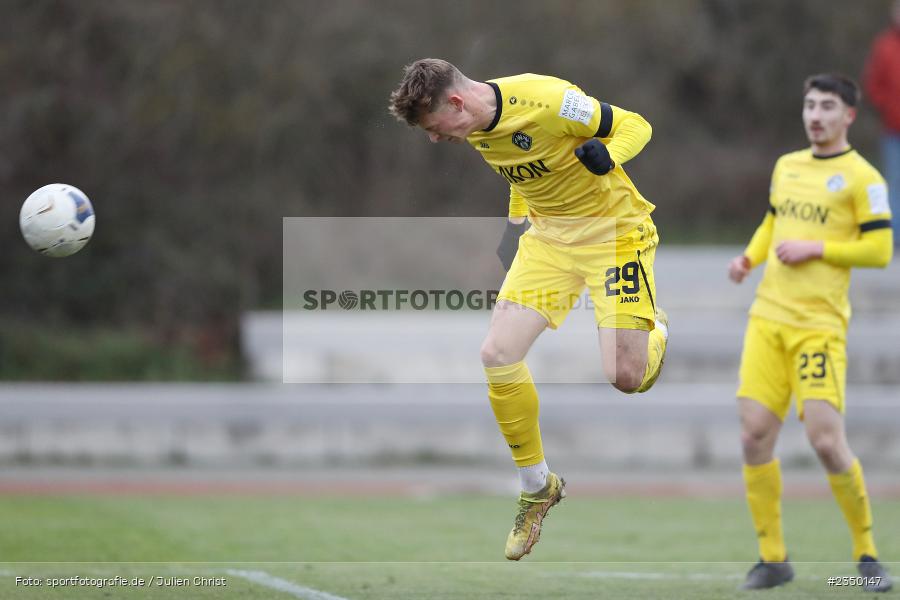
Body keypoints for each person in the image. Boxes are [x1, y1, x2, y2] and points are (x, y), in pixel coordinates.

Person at [389, 59, 668, 560]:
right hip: (549, 243)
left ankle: (656, 330)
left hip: (615, 236)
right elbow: (522, 172)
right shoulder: (473, 128)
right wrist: (515, 226)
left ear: (457, 102)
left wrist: (608, 154)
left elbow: (636, 125)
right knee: (496, 353)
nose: (434, 138)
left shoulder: (548, 100)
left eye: (434, 126)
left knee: (625, 376)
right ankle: (537, 486)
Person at [728, 74, 893, 592]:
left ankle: (867, 556)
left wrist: (817, 248)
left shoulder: (864, 178)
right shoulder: (787, 166)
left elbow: (880, 250)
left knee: (825, 441)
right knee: (753, 436)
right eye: (810, 105)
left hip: (818, 326)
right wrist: (749, 258)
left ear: (849, 116)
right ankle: (773, 558)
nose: (815, 115)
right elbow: (772, 222)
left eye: (827, 107)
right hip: (767, 319)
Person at [863, 0, 900, 240]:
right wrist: (887, 107)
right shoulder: (884, 46)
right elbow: (873, 84)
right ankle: (895, 238)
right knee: (894, 183)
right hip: (893, 129)